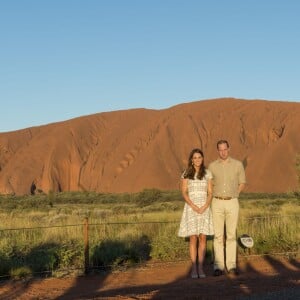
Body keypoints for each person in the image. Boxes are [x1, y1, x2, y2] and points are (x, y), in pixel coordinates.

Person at [208, 140, 246, 276]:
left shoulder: (237, 165)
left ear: (229, 149)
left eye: (225, 149)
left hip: (232, 201)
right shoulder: (212, 166)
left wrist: (236, 194)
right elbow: (210, 184)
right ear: (217, 150)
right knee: (218, 235)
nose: (223, 152)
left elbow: (242, 182)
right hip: (217, 202)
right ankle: (218, 266)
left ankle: (231, 266)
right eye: (220, 150)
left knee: (231, 235)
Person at [178, 148, 214, 279]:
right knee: (193, 237)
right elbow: (184, 192)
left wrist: (205, 206)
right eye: (195, 157)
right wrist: (193, 205)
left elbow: (210, 192)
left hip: (204, 207)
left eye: (199, 157)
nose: (197, 159)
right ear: (191, 160)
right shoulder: (186, 173)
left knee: (203, 237)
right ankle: (193, 268)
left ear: (202, 159)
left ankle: (200, 266)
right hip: (191, 207)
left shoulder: (208, 173)